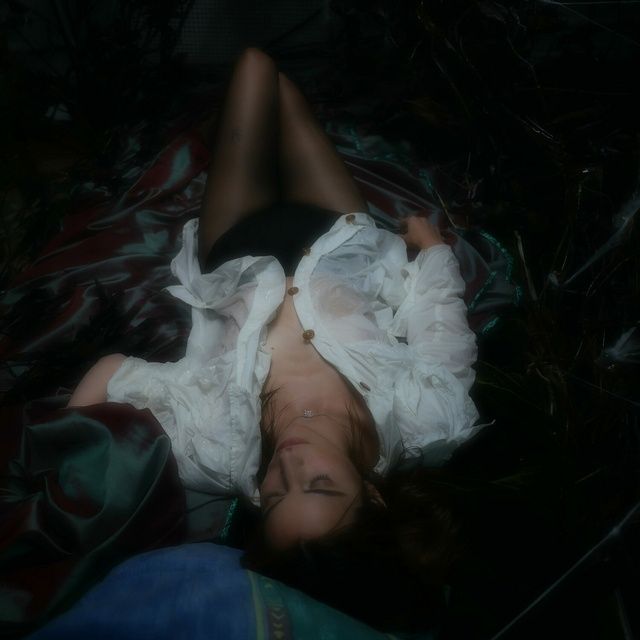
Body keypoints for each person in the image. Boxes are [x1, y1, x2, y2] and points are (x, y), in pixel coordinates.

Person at [66, 47, 482, 630]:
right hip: (338, 239)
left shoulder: (216, 450)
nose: (288, 464)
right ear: (374, 495)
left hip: (238, 247)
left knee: (256, 67)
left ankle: (233, 141)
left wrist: (73, 444)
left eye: (278, 495)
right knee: (282, 93)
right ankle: (241, 135)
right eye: (320, 484)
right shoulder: (429, 421)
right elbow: (439, 326)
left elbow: (113, 372)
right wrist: (433, 249)